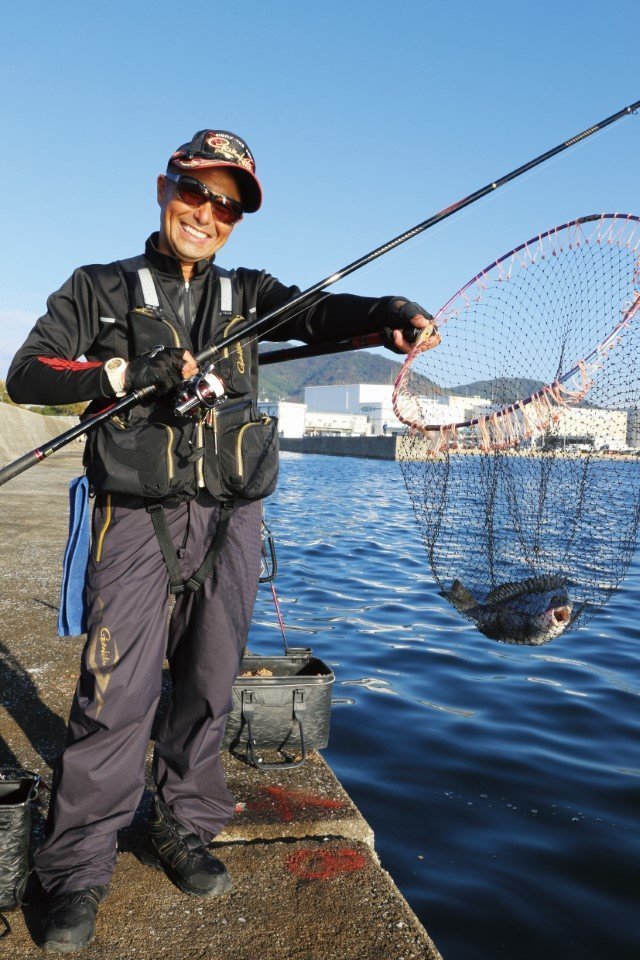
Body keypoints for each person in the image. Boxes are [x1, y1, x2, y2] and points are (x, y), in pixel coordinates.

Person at [6, 129, 432, 952]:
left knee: (209, 683)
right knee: (114, 695)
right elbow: (30, 372)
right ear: (165, 185)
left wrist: (386, 315)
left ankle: (181, 821)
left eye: (228, 205)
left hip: (233, 522)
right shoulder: (97, 288)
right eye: (197, 192)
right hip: (135, 520)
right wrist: (125, 373)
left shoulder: (249, 294)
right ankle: (75, 869)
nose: (209, 213)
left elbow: (319, 311)